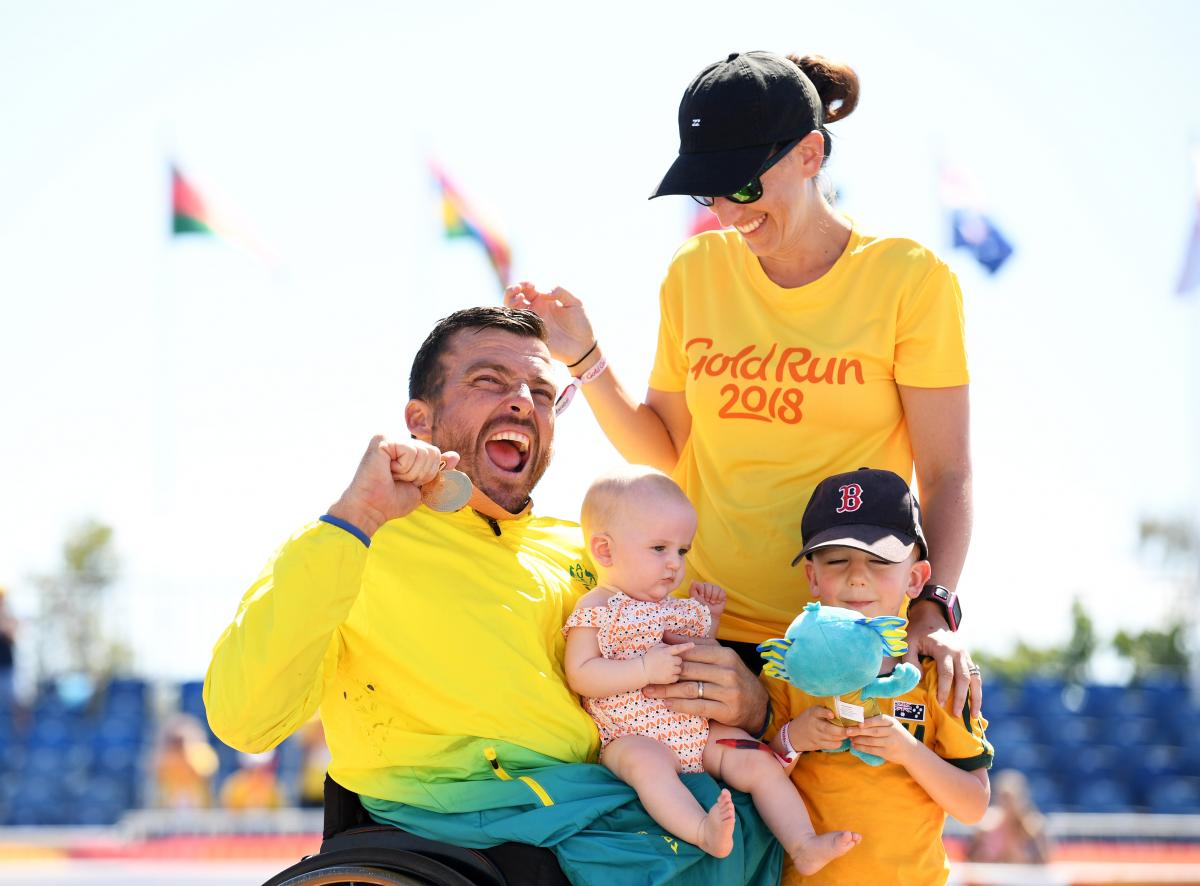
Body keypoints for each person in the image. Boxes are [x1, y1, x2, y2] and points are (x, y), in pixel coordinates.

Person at [204, 306, 782, 885]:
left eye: (539, 391)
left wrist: (750, 704)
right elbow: (244, 723)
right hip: (460, 818)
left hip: (597, 794)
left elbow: (706, 670)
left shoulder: (594, 552)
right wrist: (358, 516)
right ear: (420, 420)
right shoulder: (357, 541)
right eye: (489, 381)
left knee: (767, 825)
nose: (524, 402)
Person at [506, 49, 981, 722]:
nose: (729, 212)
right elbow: (667, 451)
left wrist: (936, 610)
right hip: (700, 628)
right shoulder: (695, 271)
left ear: (810, 154)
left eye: (746, 187)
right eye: (710, 190)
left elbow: (947, 474)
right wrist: (584, 356)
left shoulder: (910, 279)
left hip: (844, 639)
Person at [565, 466, 858, 872]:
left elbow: (701, 652)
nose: (674, 565)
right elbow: (581, 674)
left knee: (756, 758)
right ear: (605, 551)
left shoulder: (676, 608)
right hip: (630, 735)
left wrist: (712, 618)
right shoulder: (598, 608)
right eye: (659, 549)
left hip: (695, 731)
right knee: (648, 767)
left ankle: (803, 843)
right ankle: (701, 830)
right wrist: (645, 667)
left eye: (682, 552)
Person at [763, 467, 992, 885]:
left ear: (917, 578)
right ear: (812, 577)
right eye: (836, 560)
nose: (856, 575)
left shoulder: (934, 677)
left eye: (879, 560)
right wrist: (793, 739)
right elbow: (755, 776)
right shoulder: (788, 672)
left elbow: (975, 805)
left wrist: (908, 751)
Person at [967, 769, 1053, 866]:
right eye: (1003, 798)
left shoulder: (1035, 828)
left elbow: (1044, 863)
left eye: (1010, 798)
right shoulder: (985, 827)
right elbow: (971, 861)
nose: (1007, 804)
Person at [153, 713, 220, 809]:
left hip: (199, 806)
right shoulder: (164, 759)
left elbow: (206, 772)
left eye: (180, 742)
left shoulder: (201, 754)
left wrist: (188, 755)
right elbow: (155, 770)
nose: (178, 747)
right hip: (170, 806)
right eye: (175, 743)